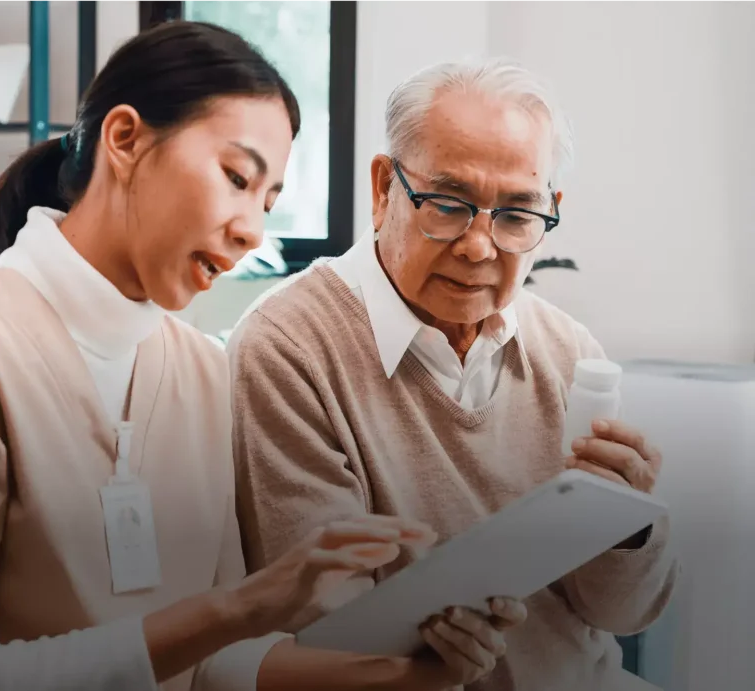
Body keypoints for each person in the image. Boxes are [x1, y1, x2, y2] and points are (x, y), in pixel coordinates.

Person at [0, 22, 526, 691]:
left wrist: (399, 674)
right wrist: (233, 609)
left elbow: (210, 663)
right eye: (236, 177)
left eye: (269, 200)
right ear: (124, 139)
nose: (251, 229)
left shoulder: (202, 370)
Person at [228, 57, 679, 690]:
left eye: (517, 216)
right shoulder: (290, 348)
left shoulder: (567, 350)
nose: (478, 247)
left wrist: (628, 531)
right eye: (447, 203)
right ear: (384, 188)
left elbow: (623, 614)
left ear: (549, 212)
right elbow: (332, 634)